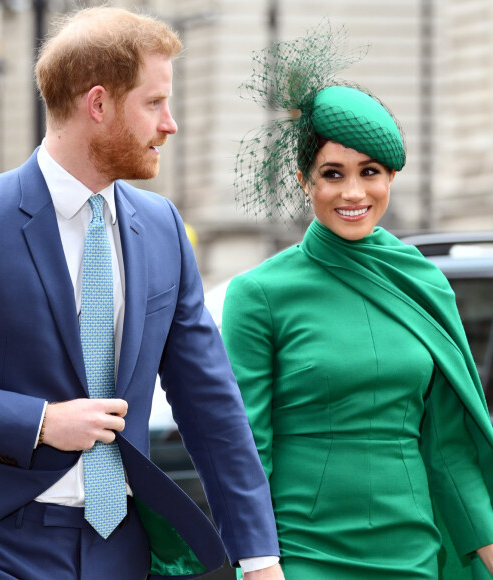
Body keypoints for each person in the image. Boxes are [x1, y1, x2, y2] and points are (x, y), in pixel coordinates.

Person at [0, 7, 284, 580]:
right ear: (99, 103)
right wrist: (38, 422)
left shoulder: (162, 227)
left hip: (122, 548)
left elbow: (211, 406)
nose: (170, 124)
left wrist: (259, 558)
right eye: (154, 103)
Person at [222, 22, 493, 580]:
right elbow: (245, 449)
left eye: (370, 172)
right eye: (332, 174)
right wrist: (259, 565)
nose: (353, 193)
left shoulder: (425, 283)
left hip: (414, 553)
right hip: (302, 556)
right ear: (304, 182)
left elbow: (447, 449)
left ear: (390, 176)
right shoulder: (259, 294)